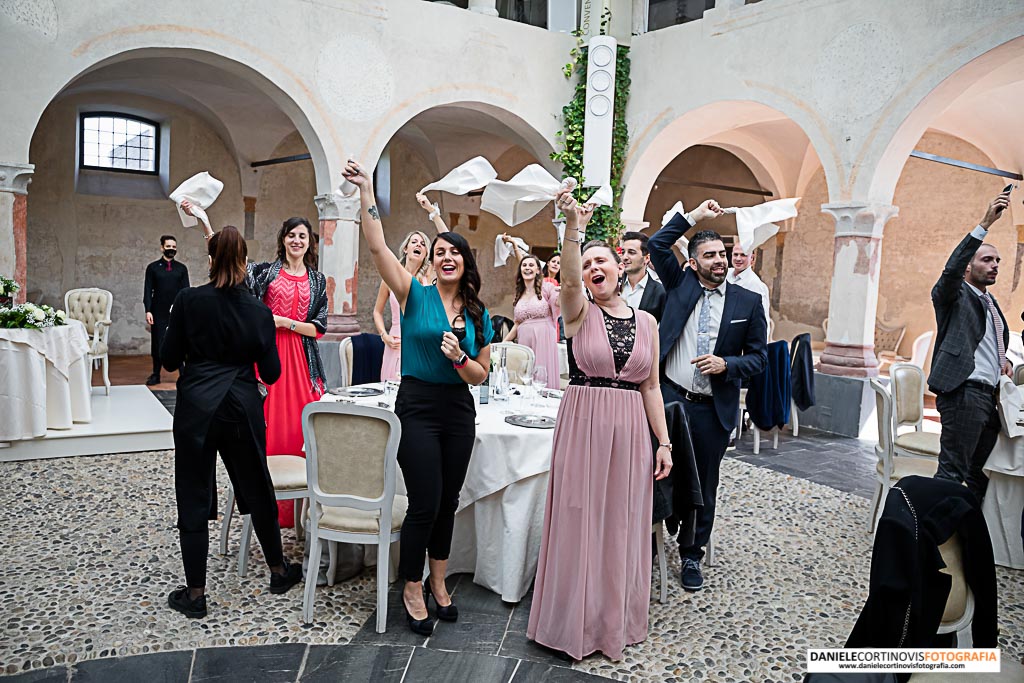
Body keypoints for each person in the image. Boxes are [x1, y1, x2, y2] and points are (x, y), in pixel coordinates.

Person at [344, 159, 493, 636]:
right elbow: (376, 246)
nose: (447, 256)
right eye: (440, 251)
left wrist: (458, 359)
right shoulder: (413, 294)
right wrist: (368, 191)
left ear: (466, 263)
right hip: (417, 406)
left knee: (448, 500)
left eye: (455, 252)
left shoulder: (477, 312)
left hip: (458, 409)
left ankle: (440, 581)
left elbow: (481, 375)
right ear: (432, 261)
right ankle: (412, 584)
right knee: (425, 501)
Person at [528, 189, 672, 661]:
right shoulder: (578, 310)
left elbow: (651, 387)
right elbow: (568, 280)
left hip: (631, 429)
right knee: (579, 517)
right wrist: (574, 230)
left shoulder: (648, 322)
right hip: (584, 421)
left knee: (620, 524)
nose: (593, 269)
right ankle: (573, 622)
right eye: (587, 264)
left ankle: (614, 621)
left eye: (601, 261)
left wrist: (663, 443)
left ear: (622, 266)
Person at [161, 226, 302, 619]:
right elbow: (271, 373)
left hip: (197, 410)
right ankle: (278, 571)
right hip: (241, 406)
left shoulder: (188, 300)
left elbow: (170, 360)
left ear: (210, 260)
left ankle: (195, 594)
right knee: (257, 484)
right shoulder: (258, 310)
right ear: (243, 262)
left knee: (192, 491)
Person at [183, 201, 328, 529]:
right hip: (266, 359)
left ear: (309, 242)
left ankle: (301, 511)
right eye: (291, 235)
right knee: (265, 430)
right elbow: (229, 263)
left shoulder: (318, 281)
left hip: (303, 364)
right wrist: (206, 224)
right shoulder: (265, 272)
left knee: (300, 431)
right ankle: (267, 511)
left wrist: (282, 322)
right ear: (283, 240)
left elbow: (319, 327)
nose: (296, 241)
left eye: (302, 236)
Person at [649, 203, 767, 593]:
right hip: (668, 400)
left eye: (722, 253)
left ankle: (691, 554)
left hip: (710, 411)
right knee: (656, 473)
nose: (719, 261)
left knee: (704, 484)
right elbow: (657, 242)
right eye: (710, 255)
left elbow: (760, 357)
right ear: (694, 262)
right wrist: (694, 216)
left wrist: (728, 365)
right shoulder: (679, 283)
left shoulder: (747, 302)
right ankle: (650, 538)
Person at [928, 190, 1012, 500]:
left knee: (981, 479)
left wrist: (1004, 362)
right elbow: (950, 271)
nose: (994, 265)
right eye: (987, 259)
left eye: (997, 261)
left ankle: (967, 542)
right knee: (952, 474)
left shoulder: (991, 303)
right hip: (964, 393)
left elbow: (987, 346)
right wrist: (985, 223)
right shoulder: (954, 296)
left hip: (988, 399)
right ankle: (929, 539)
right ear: (968, 267)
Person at [373, 193, 450, 381]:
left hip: (422, 342)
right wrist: (384, 336)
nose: (418, 244)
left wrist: (431, 211)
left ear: (426, 255)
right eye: (414, 242)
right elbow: (377, 312)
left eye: (423, 244)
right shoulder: (391, 278)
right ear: (406, 248)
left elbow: (448, 240)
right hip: (396, 342)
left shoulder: (428, 276)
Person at [502, 253, 561, 383]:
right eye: (524, 265)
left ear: (538, 270)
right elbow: (517, 323)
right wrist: (503, 342)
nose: (527, 268)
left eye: (531, 265)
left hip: (543, 338)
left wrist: (564, 292)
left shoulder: (547, 287)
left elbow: (558, 303)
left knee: (541, 376)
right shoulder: (519, 294)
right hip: (524, 340)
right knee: (525, 375)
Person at [144, 235, 189, 385]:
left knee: (180, 342)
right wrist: (148, 310)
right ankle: (156, 374)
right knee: (158, 343)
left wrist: (186, 310)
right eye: (168, 246)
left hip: (177, 311)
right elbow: (148, 290)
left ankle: (183, 374)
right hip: (158, 311)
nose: (171, 249)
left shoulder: (181, 269)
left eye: (174, 247)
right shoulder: (153, 268)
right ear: (162, 247)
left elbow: (186, 291)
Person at [620, 231, 666, 323]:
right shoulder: (614, 285)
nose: (624, 257)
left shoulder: (660, 292)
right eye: (623, 252)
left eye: (631, 252)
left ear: (646, 258)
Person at [726, 242, 770, 334]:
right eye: (735, 254)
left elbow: (762, 324)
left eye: (743, 255)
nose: (738, 258)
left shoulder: (757, 286)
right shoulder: (725, 275)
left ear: (752, 259)